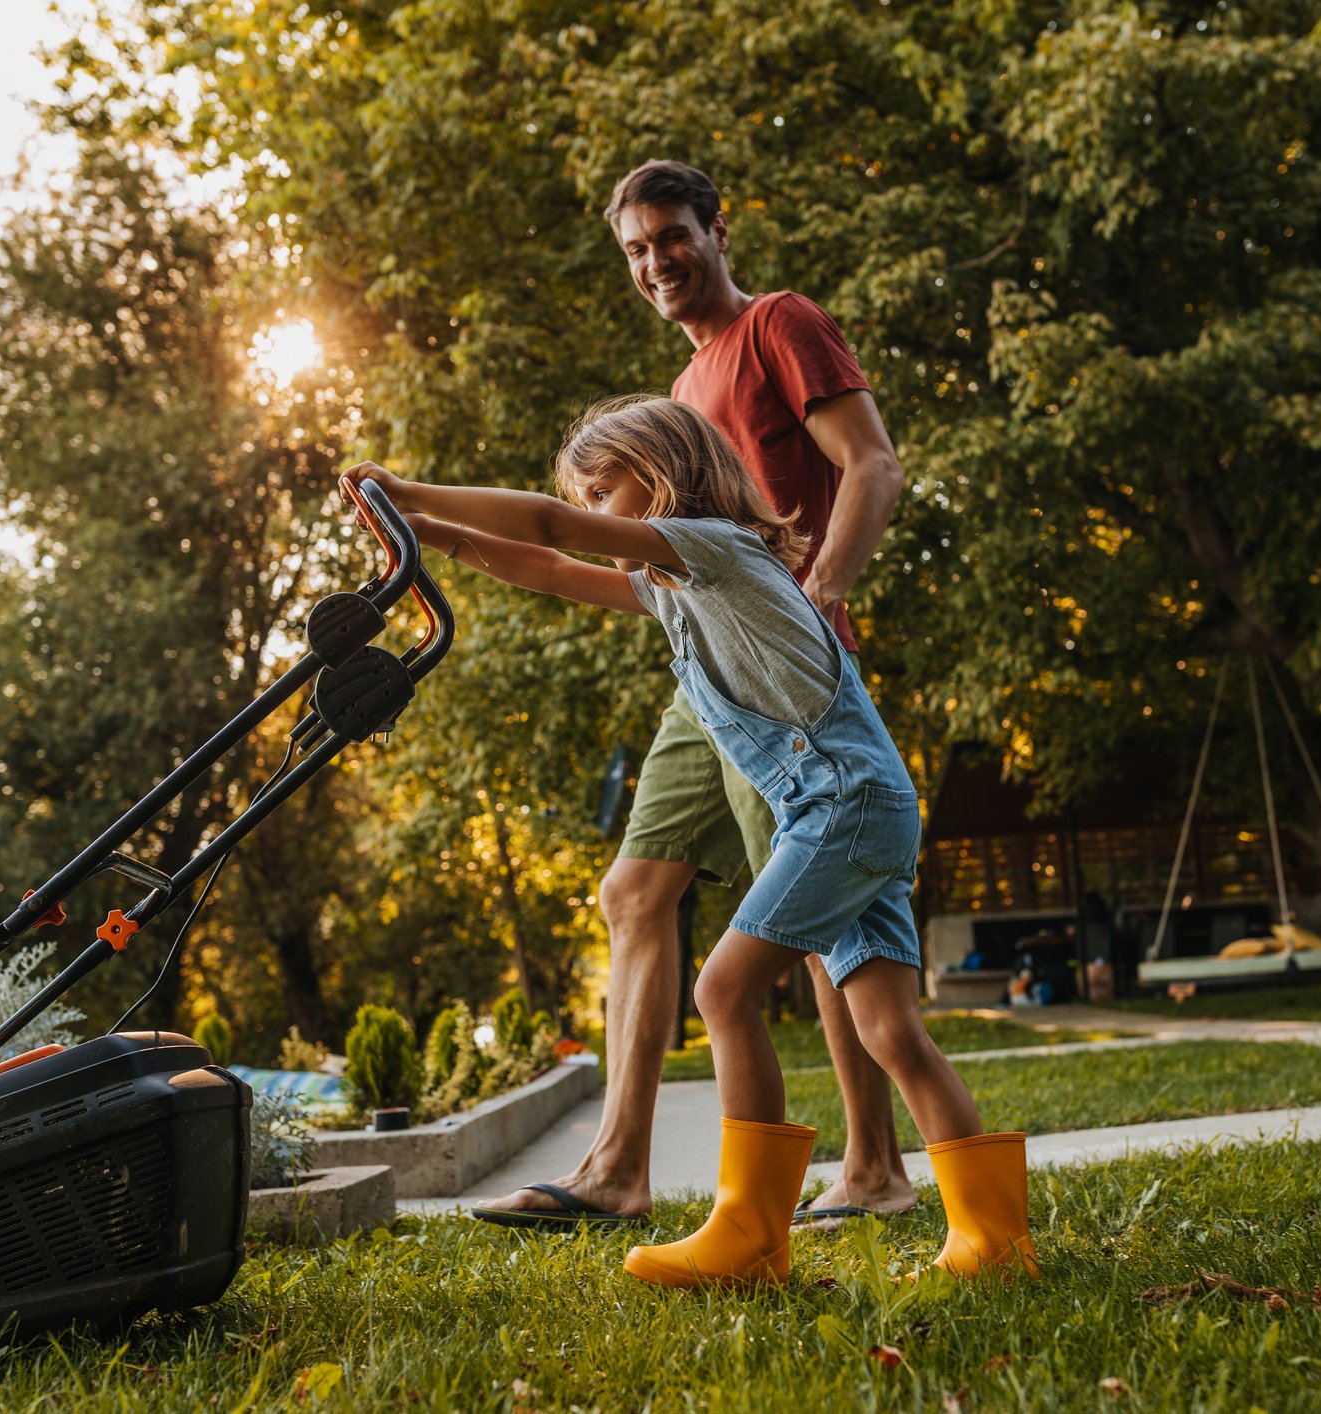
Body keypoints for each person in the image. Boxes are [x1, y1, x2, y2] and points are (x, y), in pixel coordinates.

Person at [353, 395, 1038, 1286]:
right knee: (890, 1030)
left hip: (841, 803)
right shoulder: (672, 590)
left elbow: (551, 527)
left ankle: (750, 1236)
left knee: (722, 993)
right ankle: (994, 1240)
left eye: (606, 490)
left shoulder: (717, 546)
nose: (595, 513)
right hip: (849, 807)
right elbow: (550, 565)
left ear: (663, 471)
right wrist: (427, 538)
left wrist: (406, 490)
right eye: (590, 497)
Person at [471, 159, 915, 1230]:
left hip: (784, 688)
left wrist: (823, 594)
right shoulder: (677, 397)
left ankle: (874, 1166)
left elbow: (871, 465)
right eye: (636, 248)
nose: (657, 261)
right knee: (632, 890)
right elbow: (637, 566)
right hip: (702, 685)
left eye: (673, 236)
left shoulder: (778, 325)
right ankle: (618, 1169)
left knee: (812, 910)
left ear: (720, 229)